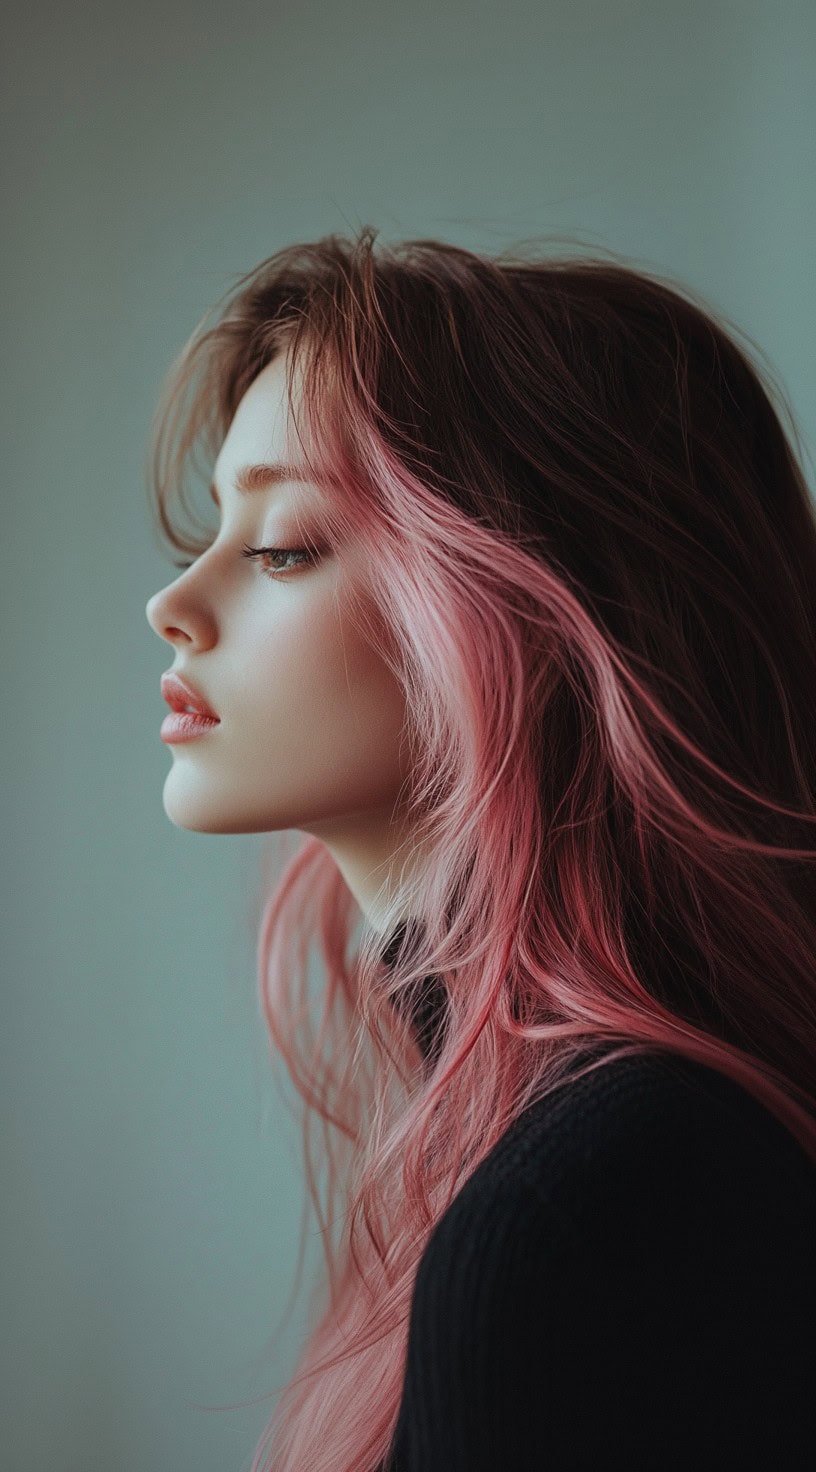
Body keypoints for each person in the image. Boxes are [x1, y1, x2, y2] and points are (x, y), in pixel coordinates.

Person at [145, 227, 816, 1471]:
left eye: (284, 542)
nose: (172, 602)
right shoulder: (621, 1172)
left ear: (537, 611)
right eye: (206, 533)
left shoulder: (591, 1214)